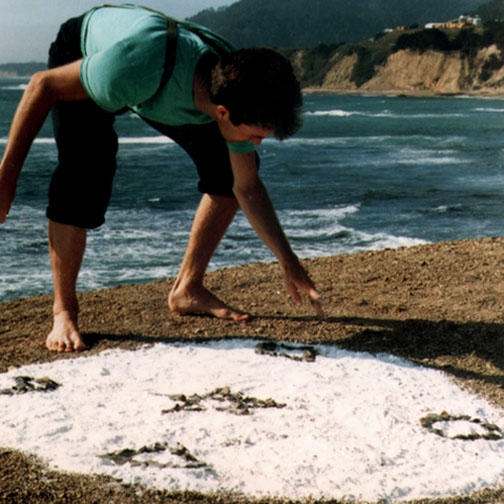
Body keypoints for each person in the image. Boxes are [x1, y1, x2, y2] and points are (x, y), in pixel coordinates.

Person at [0, 4, 325, 353]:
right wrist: (7, 178)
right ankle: (64, 311)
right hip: (94, 53)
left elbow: (246, 187)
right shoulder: (134, 67)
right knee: (84, 174)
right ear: (222, 113)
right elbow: (42, 85)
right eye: (257, 134)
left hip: (160, 82)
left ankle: (188, 289)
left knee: (226, 173)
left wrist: (289, 263)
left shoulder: (235, 79)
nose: (259, 142)